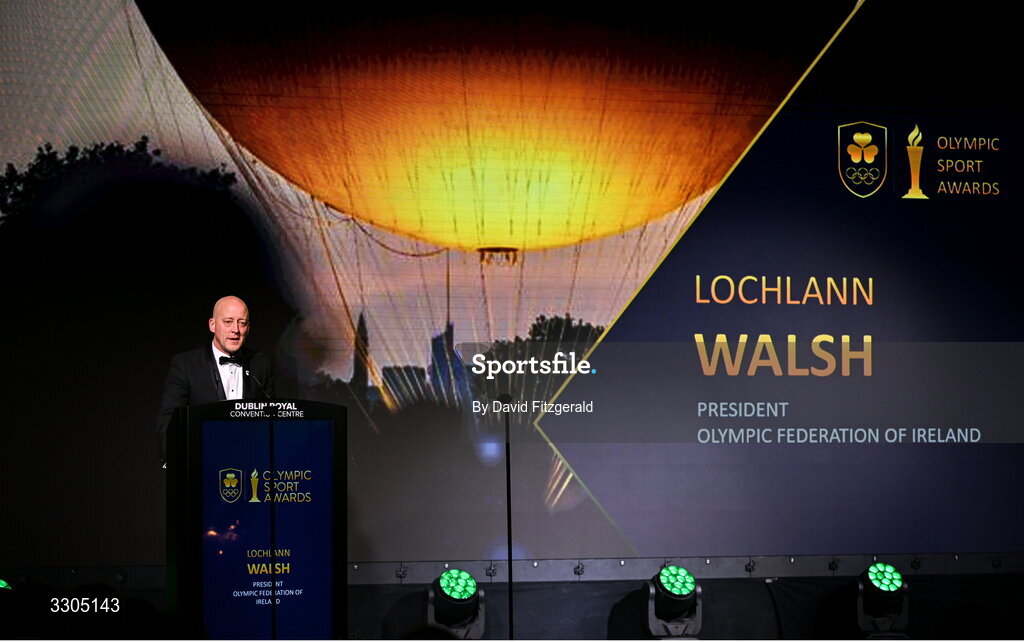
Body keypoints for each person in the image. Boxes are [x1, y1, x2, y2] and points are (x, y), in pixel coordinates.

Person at [156, 295, 275, 464]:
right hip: (200, 464)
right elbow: (169, 418)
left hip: (249, 465)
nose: (236, 329)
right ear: (212, 325)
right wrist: (174, 462)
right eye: (228, 321)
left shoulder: (261, 364)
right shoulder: (186, 364)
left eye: (242, 323)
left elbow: (272, 418)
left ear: (248, 328)